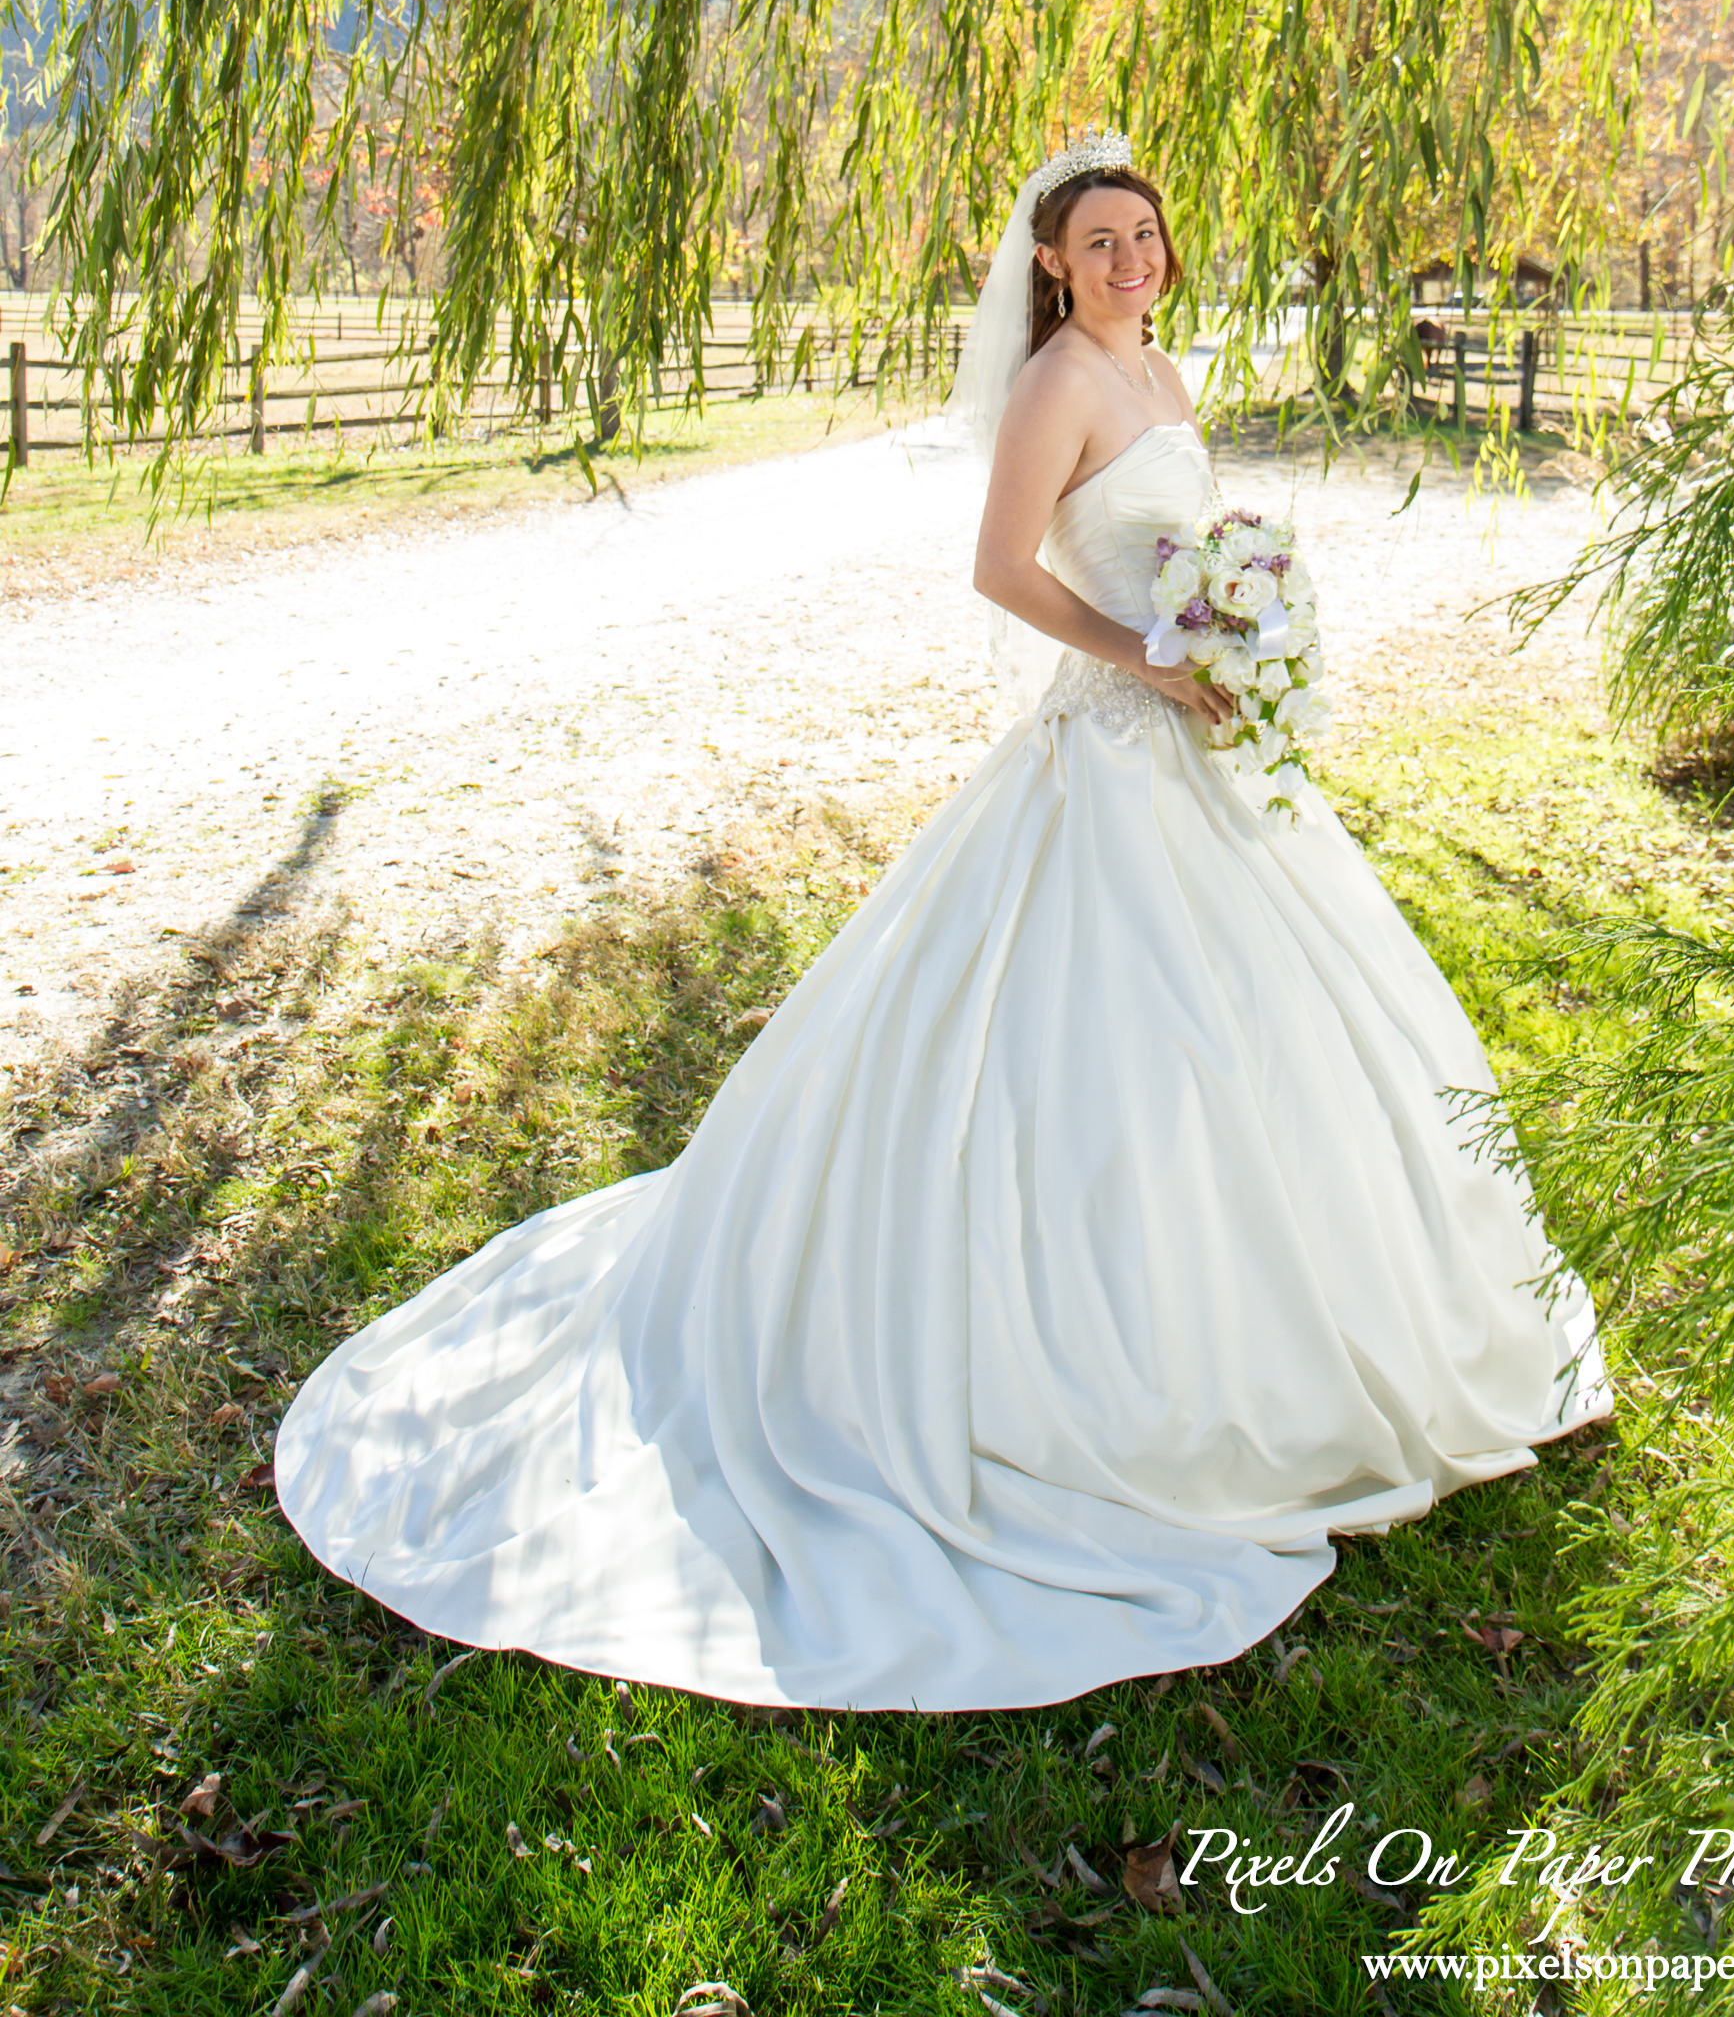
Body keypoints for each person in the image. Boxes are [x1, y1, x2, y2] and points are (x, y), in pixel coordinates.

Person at [274, 132, 1610, 1712]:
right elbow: (999, 569)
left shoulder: (1166, 377)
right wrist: (1149, 654)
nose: (1130, 260)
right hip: (1113, 742)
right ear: (1052, 264)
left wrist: (1239, 631)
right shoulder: (1061, 387)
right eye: (1101, 241)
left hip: (1203, 741)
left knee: (1278, 1039)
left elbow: (1194, 551)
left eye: (1147, 233)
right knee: (1087, 1044)